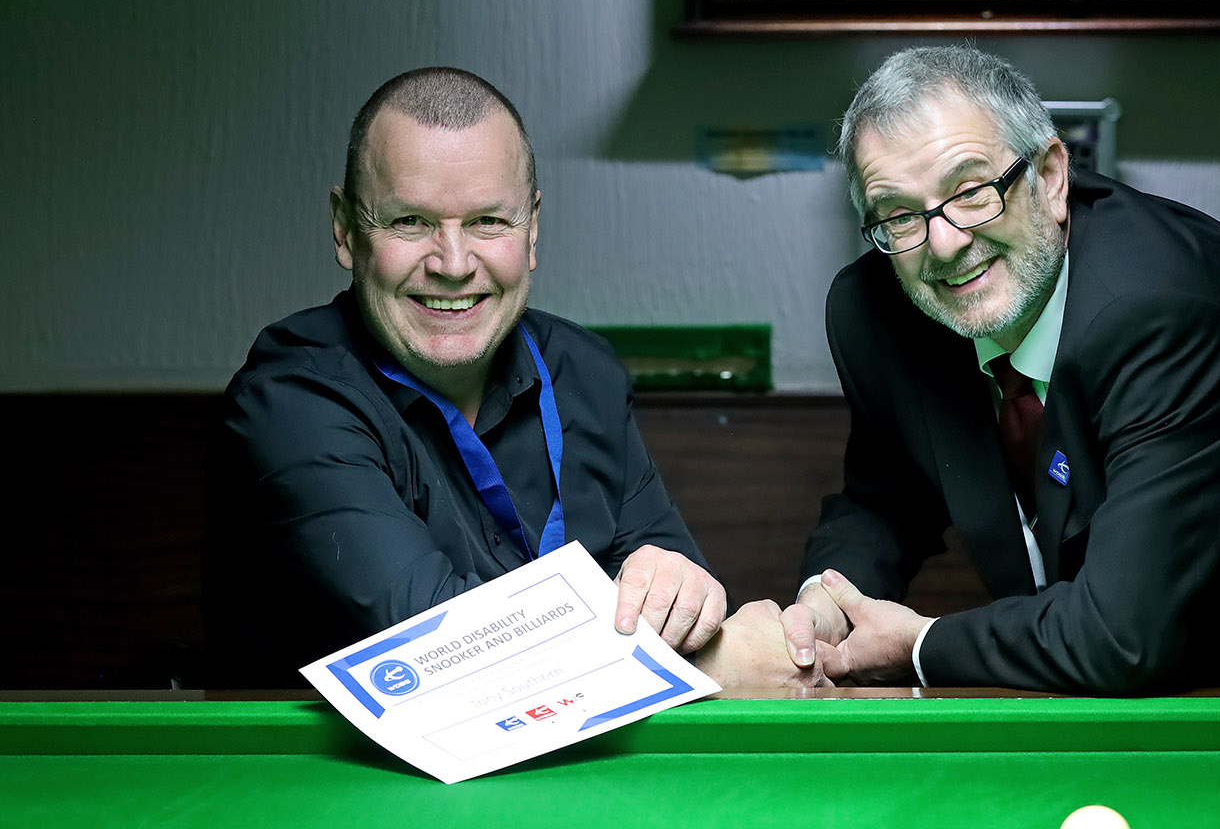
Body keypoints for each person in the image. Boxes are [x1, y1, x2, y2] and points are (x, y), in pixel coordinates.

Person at [782, 45, 1220, 694]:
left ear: (1052, 177)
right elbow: (885, 499)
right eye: (899, 216)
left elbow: (1124, 635)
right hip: (1166, 655)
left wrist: (922, 645)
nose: (942, 243)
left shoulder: (1160, 307)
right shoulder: (877, 311)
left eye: (972, 191)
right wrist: (825, 603)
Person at [203, 66, 825, 690]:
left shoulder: (583, 374)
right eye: (409, 222)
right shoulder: (291, 401)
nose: (452, 264)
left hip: (565, 770)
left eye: (488, 222)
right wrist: (715, 667)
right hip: (328, 780)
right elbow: (436, 653)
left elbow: (672, 588)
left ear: (531, 230)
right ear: (345, 230)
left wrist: (684, 598)